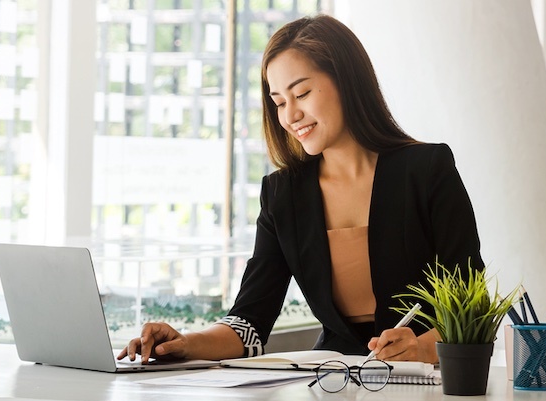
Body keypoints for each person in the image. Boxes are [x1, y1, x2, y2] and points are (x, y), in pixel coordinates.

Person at [117, 14, 482, 365]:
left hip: (429, 388)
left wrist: (422, 347)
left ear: (346, 80)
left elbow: (473, 306)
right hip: (332, 384)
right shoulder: (283, 194)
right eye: (279, 102)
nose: (290, 115)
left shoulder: (426, 170)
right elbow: (250, 324)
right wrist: (185, 343)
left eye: (302, 93)